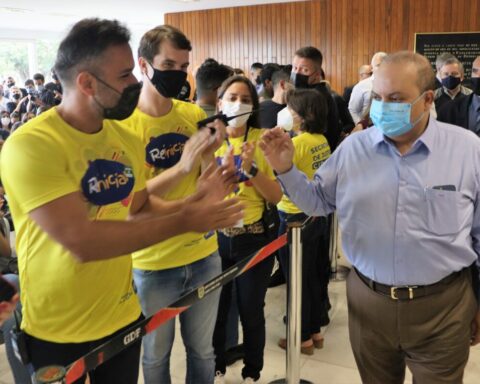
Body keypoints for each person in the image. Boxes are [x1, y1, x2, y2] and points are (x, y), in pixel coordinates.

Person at [0, 18, 242, 384]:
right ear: (86, 82)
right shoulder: (33, 145)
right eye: (126, 74)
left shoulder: (120, 136)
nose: (135, 83)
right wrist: (186, 220)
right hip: (57, 328)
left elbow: (140, 207)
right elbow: (82, 241)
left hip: (122, 315)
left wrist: (194, 206)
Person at [260, 51, 480, 384]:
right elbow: (318, 203)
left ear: (427, 99)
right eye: (378, 97)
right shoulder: (353, 149)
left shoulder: (467, 151)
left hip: (443, 307)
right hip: (369, 304)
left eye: (396, 99)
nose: (383, 107)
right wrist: (286, 169)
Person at [123, 25, 230, 384]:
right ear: (144, 65)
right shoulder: (123, 128)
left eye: (183, 67)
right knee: (155, 356)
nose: (177, 74)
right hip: (152, 263)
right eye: (168, 64)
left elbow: (207, 183)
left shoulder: (190, 116)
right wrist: (183, 167)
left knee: (203, 351)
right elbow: (130, 204)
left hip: (203, 255)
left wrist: (216, 161)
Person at [213, 75, 282, 384]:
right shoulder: (207, 140)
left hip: (254, 238)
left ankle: (253, 369)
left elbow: (276, 196)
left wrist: (251, 169)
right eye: (231, 97)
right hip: (215, 239)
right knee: (216, 308)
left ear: (253, 106)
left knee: (251, 308)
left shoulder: (262, 138)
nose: (237, 104)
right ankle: (216, 361)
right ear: (219, 102)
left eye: (244, 99)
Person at [275, 88, 331, 354]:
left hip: (293, 216)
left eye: (291, 109)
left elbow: (278, 177)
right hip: (315, 215)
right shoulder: (320, 139)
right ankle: (315, 330)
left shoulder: (296, 144)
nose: (287, 113)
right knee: (312, 276)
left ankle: (302, 336)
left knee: (296, 278)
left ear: (305, 115)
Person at [290, 46, 341, 150]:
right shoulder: (306, 93)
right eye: (295, 68)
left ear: (317, 74)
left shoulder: (316, 97)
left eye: (305, 70)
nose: (297, 73)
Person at [437, 56, 480, 133]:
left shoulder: (468, 93)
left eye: (454, 74)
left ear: (462, 76)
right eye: (475, 71)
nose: (478, 76)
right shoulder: (446, 108)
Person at [348, 52, 387, 124]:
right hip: (367, 126)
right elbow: (353, 110)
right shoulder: (362, 86)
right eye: (379, 65)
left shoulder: (394, 86)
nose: (383, 68)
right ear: (372, 68)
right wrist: (360, 126)